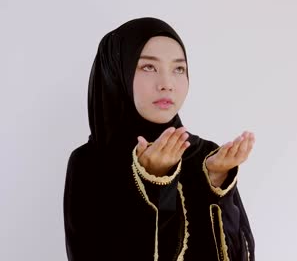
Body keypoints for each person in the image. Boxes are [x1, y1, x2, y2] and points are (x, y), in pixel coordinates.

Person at [63, 17, 255, 261]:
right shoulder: (91, 162)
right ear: (117, 72)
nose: (167, 84)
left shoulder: (204, 155)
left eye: (179, 69)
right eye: (148, 67)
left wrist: (216, 187)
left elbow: (241, 254)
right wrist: (154, 186)